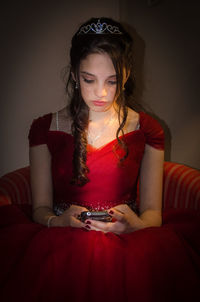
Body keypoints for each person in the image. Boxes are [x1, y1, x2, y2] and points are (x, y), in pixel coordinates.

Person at [0, 17, 199, 302]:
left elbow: (154, 212)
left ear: (127, 75)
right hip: (60, 243)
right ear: (73, 75)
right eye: (89, 79)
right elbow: (40, 207)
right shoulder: (45, 128)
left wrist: (137, 225)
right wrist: (58, 221)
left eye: (112, 80)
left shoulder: (148, 129)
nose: (101, 93)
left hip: (129, 241)